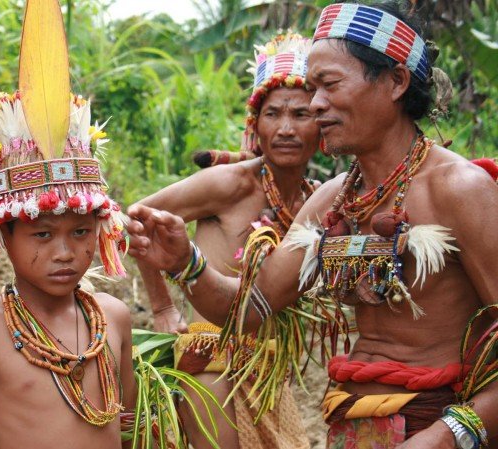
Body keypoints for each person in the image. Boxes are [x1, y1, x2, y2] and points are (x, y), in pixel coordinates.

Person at [127, 1, 498, 448]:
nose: (316, 103)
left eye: (329, 85)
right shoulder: (333, 200)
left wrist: (449, 434)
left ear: (396, 81)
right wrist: (188, 263)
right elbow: (251, 310)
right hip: (348, 427)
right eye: (312, 88)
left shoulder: (459, 188)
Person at [0, 2, 135, 448]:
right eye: (42, 234)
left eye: (81, 232)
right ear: (3, 236)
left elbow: (130, 426)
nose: (64, 252)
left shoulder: (114, 320)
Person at [134, 32, 315, 449]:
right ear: (257, 125)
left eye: (301, 115)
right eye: (274, 115)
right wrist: (162, 306)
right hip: (210, 360)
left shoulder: (312, 200)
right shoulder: (231, 183)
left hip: (269, 368)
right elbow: (137, 221)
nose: (286, 128)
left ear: (323, 122)